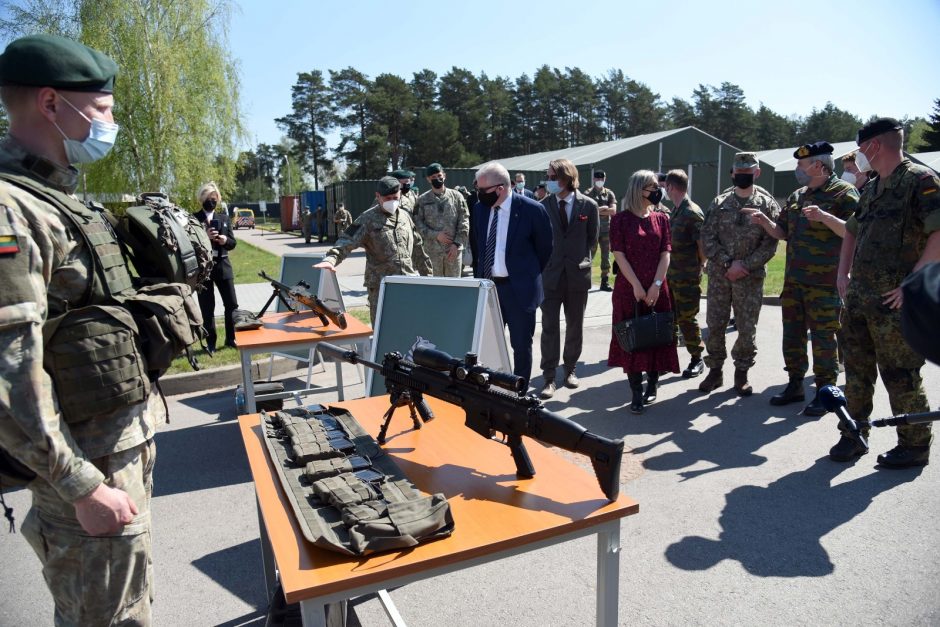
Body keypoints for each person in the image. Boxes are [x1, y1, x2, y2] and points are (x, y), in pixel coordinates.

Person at [0, 33, 159, 624]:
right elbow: (8, 370)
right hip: (86, 468)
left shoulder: (55, 197)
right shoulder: (10, 211)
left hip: (113, 449)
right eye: (103, 110)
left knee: (129, 603)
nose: (110, 124)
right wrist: (80, 486)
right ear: (50, 104)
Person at [830, 118, 940, 467]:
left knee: (901, 373)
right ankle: (853, 433)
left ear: (875, 145)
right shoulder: (873, 186)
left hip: (895, 301)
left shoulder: (921, 181)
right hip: (860, 297)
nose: (859, 154)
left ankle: (915, 444)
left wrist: (913, 283)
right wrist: (842, 272)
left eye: (862, 147)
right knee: (856, 370)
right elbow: (851, 230)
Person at [744, 142, 858, 415]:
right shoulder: (797, 196)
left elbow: (853, 232)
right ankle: (795, 384)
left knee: (823, 337)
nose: (797, 169)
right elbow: (782, 232)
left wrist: (825, 216)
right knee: (792, 335)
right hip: (794, 282)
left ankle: (825, 392)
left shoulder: (844, 193)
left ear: (819, 166)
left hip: (826, 282)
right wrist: (764, 222)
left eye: (801, 164)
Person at [699, 152, 781, 396]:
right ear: (733, 173)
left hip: (750, 278)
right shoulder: (720, 202)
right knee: (715, 324)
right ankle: (715, 372)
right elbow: (707, 236)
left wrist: (744, 265)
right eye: (739, 172)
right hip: (720, 276)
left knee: (746, 328)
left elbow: (771, 243)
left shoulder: (767, 205)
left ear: (756, 173)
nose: (743, 176)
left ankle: (741, 373)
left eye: (748, 172)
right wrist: (728, 263)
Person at [472, 161, 553, 389]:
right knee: (486, 344)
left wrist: (526, 275)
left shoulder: (532, 210)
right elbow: (478, 245)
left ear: (500, 188)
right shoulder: (480, 209)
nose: (479, 195)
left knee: (520, 345)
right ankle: (488, 388)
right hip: (489, 289)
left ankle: (519, 392)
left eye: (482, 190)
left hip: (518, 290)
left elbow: (545, 249)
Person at [607, 170, 679, 413]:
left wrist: (656, 285)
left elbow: (665, 253)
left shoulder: (662, 218)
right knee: (633, 338)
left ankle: (653, 384)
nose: (658, 190)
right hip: (629, 289)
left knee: (656, 334)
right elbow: (619, 255)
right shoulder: (620, 220)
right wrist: (637, 286)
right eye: (652, 186)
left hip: (658, 288)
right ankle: (636, 391)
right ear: (639, 189)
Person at [315, 177, 432, 325]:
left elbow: (418, 248)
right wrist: (330, 259)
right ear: (378, 196)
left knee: (409, 327)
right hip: (381, 287)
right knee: (383, 328)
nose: (392, 201)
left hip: (406, 284)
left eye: (395, 197)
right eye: (387, 198)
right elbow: (346, 241)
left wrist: (429, 279)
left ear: (400, 194)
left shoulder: (405, 217)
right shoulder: (367, 219)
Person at [537, 158, 599, 399]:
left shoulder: (589, 206)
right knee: (549, 327)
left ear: (567, 177)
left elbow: (592, 240)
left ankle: (570, 369)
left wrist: (580, 260)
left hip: (576, 276)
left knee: (575, 326)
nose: (550, 182)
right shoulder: (542, 206)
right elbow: (539, 241)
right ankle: (549, 377)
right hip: (550, 277)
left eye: (554, 177)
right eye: (549, 178)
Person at [663, 169, 706, 378]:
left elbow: (702, 247)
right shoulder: (677, 210)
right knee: (671, 319)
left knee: (687, 319)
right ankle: (669, 360)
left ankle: (697, 359)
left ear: (671, 187)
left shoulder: (691, 212)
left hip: (687, 277)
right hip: (672, 276)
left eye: (665, 187)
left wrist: (698, 266)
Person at [195, 181, 239, 353]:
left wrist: (225, 240)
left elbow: (233, 243)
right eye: (208, 198)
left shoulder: (224, 218)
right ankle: (211, 342)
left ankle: (231, 338)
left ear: (218, 199)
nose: (211, 201)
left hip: (223, 266)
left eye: (214, 198)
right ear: (202, 199)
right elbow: (190, 244)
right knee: (207, 308)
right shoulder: (193, 219)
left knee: (232, 304)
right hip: (204, 269)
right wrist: (204, 237)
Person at [414, 162, 469, 277]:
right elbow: (417, 223)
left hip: (453, 252)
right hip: (432, 253)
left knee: (453, 288)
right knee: (434, 289)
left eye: (439, 176)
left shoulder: (457, 196)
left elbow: (464, 221)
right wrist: (435, 235)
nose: (437, 179)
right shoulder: (422, 200)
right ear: (428, 179)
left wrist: (456, 244)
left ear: (444, 175)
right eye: (433, 177)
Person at [586, 169, 618, 292]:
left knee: (606, 256)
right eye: (597, 179)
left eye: (602, 179)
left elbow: (613, 211)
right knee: (589, 255)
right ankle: (586, 280)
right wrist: (604, 208)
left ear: (604, 179)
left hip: (606, 230)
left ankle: (604, 282)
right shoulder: (588, 193)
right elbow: (587, 209)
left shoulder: (609, 193)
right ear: (594, 179)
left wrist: (597, 209)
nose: (600, 181)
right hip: (592, 229)